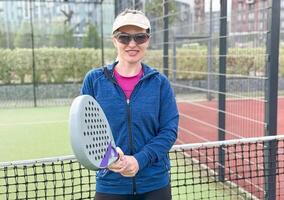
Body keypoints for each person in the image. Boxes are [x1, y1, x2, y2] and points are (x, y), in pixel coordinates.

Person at [81, 9, 179, 200]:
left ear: (147, 40)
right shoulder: (94, 80)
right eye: (124, 37)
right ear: (114, 40)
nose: (132, 44)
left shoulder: (160, 83)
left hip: (155, 185)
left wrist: (139, 161)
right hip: (110, 185)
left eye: (139, 37)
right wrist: (108, 159)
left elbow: (169, 131)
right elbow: (87, 131)